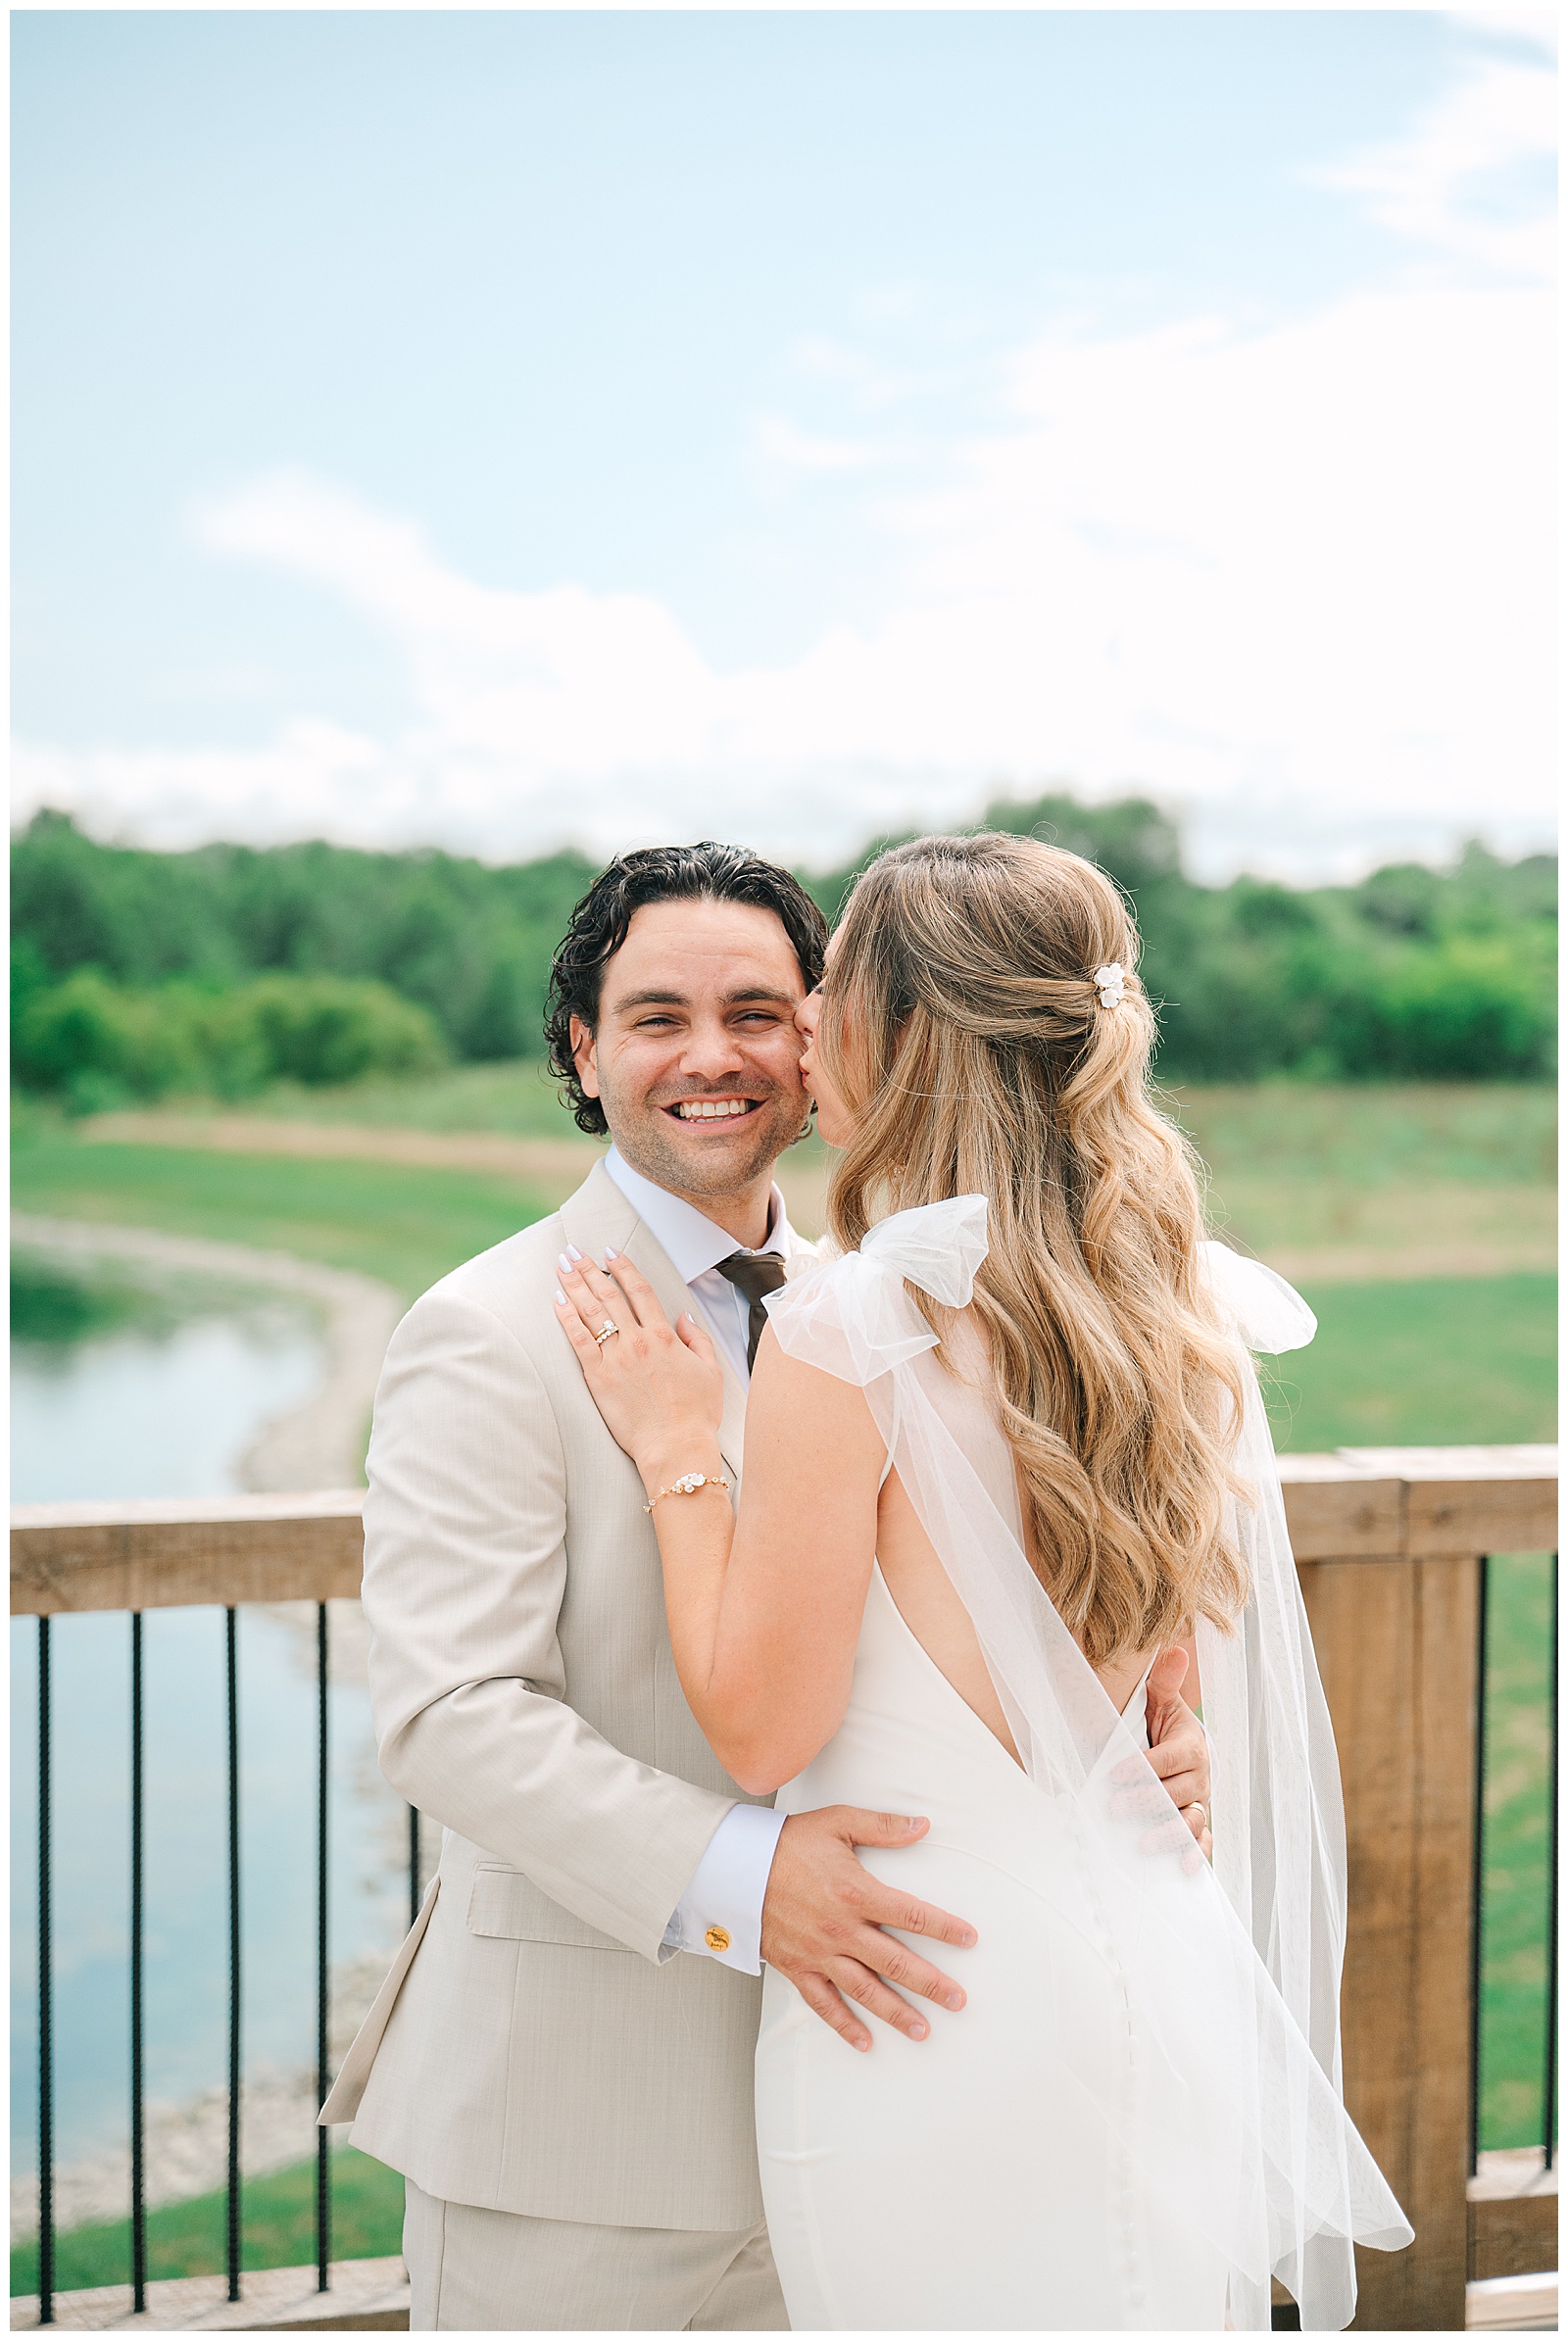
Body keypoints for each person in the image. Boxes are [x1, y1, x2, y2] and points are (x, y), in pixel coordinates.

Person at [320, 839, 1215, 2332]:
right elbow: (451, 1714)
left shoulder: (916, 1315)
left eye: (756, 1008)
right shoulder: (484, 1328)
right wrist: (749, 1877)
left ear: (824, 1035)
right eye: (658, 1016)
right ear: (584, 1049)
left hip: (898, 2089)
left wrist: (1142, 1751)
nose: (712, 1055)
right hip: (589, 2134)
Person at [555, 831, 1413, 2332]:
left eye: (834, 998)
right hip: (1139, 1968)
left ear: (901, 1032)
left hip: (920, 1995)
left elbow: (760, 1731)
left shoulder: (854, 1330)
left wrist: (683, 1451)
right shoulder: (1176, 1306)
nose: (808, 1034)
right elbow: (1161, 1679)